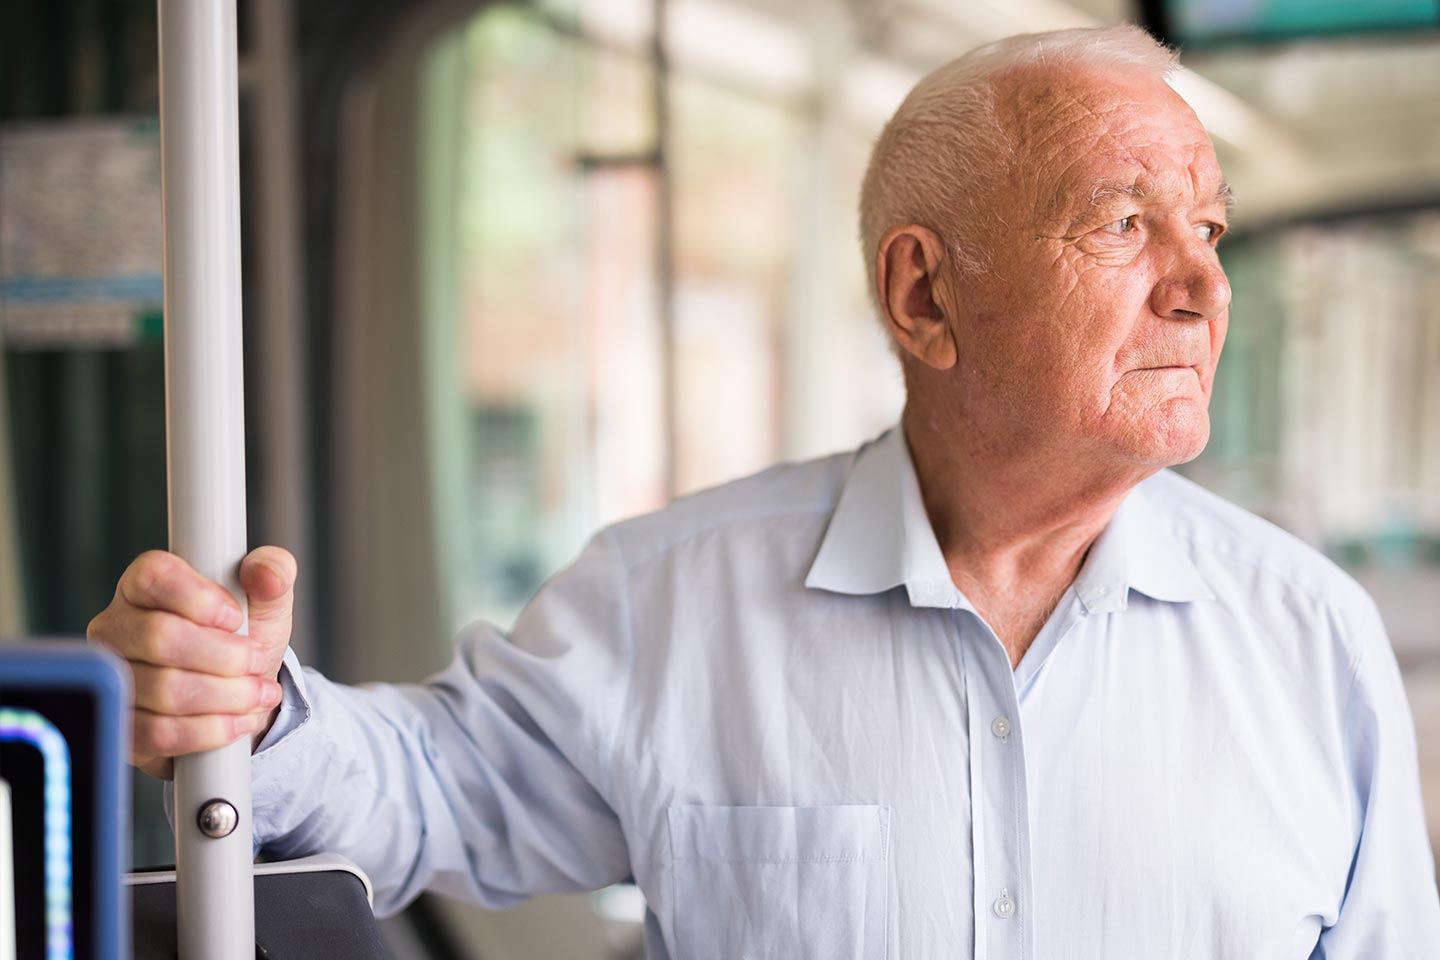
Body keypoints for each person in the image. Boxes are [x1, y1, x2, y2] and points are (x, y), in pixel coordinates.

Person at [88, 24, 1440, 959]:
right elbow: (429, 787)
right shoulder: (672, 599)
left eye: (1205, 228)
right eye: (1124, 223)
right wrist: (243, 709)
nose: (1203, 285)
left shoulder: (1311, 642)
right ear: (926, 293)